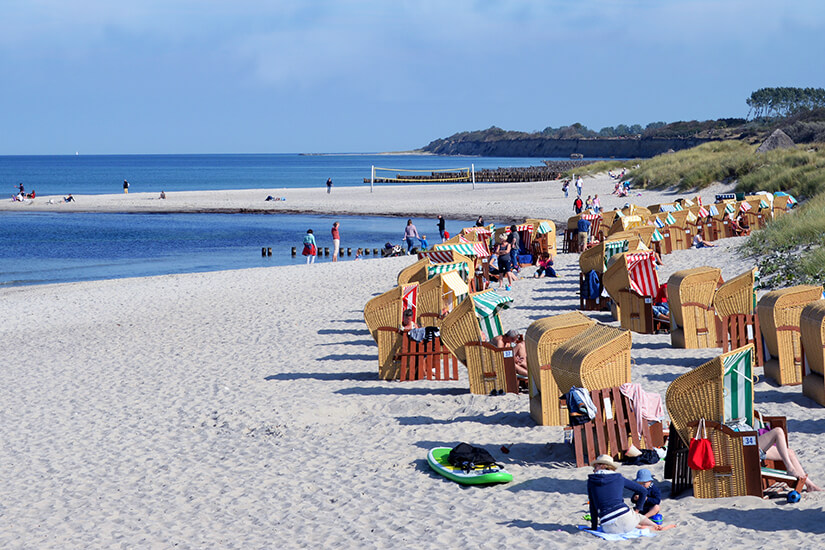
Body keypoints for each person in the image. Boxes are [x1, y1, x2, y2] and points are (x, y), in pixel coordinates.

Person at [587, 455, 675, 534]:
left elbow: (593, 506)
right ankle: (655, 526)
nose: (594, 469)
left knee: (632, 519)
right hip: (627, 520)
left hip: (608, 528)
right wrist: (638, 508)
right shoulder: (619, 478)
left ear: (601, 466)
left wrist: (594, 527)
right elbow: (643, 491)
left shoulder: (591, 481)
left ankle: (643, 527)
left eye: (595, 466)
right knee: (636, 516)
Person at [758, 426, 821, 492]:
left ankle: (810, 485)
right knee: (778, 431)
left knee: (790, 453)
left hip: (754, 442)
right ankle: (790, 469)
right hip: (748, 445)